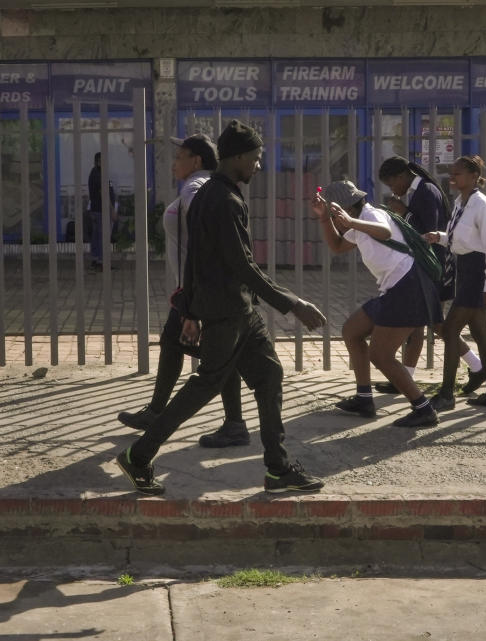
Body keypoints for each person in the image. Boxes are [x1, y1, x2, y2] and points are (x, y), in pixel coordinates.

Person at [115, 119, 328, 495]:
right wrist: (293, 304)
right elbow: (242, 265)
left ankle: (278, 469)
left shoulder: (211, 194)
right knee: (205, 386)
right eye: (257, 158)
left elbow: (194, 259)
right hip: (229, 312)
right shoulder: (224, 200)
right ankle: (139, 455)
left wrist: (189, 310)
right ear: (239, 157)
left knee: (269, 377)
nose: (259, 165)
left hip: (237, 311)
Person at [117, 134, 249, 448]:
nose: (174, 163)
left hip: (200, 291)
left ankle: (225, 423)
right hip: (198, 289)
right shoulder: (207, 185)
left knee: (219, 357)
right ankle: (164, 412)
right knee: (179, 345)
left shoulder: (194, 187)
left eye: (180, 157)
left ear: (196, 161)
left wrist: (192, 299)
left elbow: (206, 234)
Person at [312, 180, 442, 428]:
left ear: (346, 208)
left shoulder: (372, 215)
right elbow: (338, 246)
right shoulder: (359, 223)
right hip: (394, 289)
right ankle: (364, 398)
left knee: (381, 355)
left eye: (333, 212)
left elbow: (383, 232)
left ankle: (423, 409)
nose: (333, 217)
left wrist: (350, 223)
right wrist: (323, 219)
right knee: (352, 331)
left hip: (408, 286)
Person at [375, 156, 486, 398]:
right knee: (419, 324)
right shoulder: (420, 191)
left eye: (392, 184)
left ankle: (477, 366)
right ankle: (405, 377)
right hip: (426, 266)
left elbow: (429, 230)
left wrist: (403, 212)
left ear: (401, 176)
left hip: (433, 268)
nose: (393, 190)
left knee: (435, 323)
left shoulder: (425, 191)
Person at [425, 155, 486, 410]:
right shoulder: (461, 202)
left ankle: (447, 394)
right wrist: (439, 237)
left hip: (477, 273)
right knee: (481, 335)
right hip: (465, 270)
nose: (453, 177)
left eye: (458, 173)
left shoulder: (483, 206)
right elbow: (460, 238)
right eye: (452, 173)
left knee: (450, 330)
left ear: (473, 176)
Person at [87, 152, 118, 270]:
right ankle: (101, 262)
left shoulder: (97, 173)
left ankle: (95, 260)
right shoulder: (98, 175)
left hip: (96, 210)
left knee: (96, 236)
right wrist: (112, 210)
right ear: (98, 162)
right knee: (103, 237)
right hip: (101, 211)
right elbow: (104, 194)